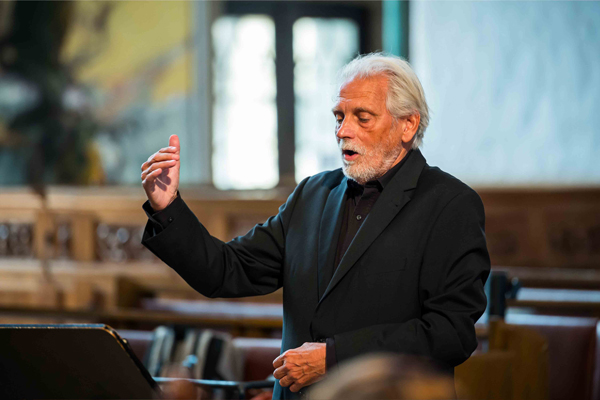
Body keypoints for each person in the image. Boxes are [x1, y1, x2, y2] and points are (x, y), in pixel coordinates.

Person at [140, 53, 490, 400]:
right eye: (339, 117)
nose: (343, 131)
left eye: (362, 118)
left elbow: (449, 333)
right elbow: (225, 271)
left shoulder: (449, 205)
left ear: (407, 125)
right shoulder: (314, 194)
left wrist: (334, 358)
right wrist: (167, 207)